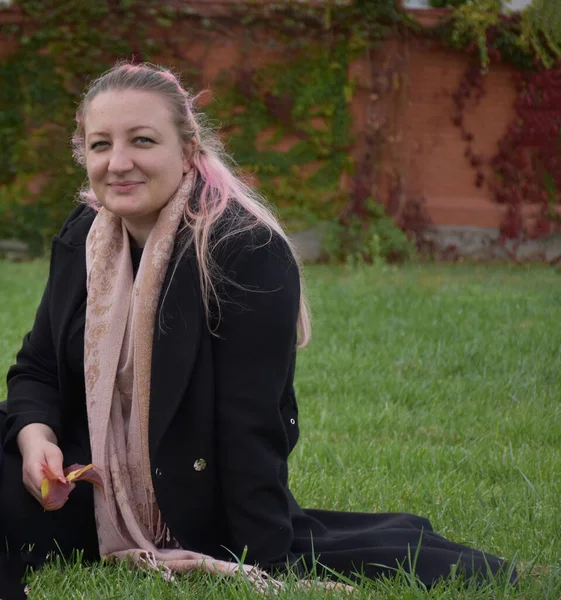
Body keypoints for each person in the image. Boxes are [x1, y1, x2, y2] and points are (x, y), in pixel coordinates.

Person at [0, 62, 515, 599]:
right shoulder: (84, 236)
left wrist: (264, 555)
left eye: (143, 140)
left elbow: (251, 422)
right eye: (101, 144)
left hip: (183, 500)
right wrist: (37, 438)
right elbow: (37, 365)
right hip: (86, 482)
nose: (119, 162)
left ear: (188, 148)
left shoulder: (243, 250)